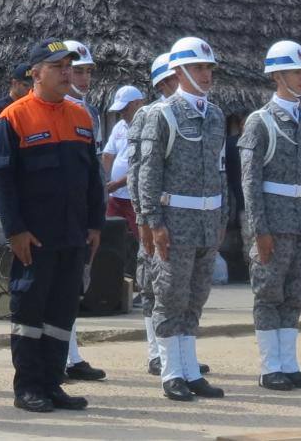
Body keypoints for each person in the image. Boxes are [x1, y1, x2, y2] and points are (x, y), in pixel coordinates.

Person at [0, 38, 103, 414]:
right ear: (36, 73)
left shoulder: (81, 117)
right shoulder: (14, 117)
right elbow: (0, 178)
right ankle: (28, 387)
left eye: (69, 65)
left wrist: (95, 225)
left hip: (73, 234)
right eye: (57, 66)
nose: (66, 72)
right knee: (29, 313)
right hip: (34, 236)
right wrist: (14, 229)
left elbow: (91, 180)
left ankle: (53, 384)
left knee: (61, 313)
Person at [130, 36, 227, 401]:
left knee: (195, 297)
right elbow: (148, 173)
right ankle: (171, 372)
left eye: (209, 68)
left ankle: (189, 369)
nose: (206, 75)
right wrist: (152, 220)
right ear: (180, 71)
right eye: (199, 68)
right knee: (170, 297)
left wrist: (222, 217)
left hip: (206, 220)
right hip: (174, 221)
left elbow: (220, 173)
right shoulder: (161, 114)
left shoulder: (215, 115)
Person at [238, 40, 301, 392]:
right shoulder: (259, 122)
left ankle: (289, 364)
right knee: (269, 294)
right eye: (295, 71)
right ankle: (270, 365)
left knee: (296, 294)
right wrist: (259, 229)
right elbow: (250, 181)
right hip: (273, 222)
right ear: (276, 75)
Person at [57, 40, 107, 383]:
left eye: (88, 71)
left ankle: (70, 354)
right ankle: (60, 356)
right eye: (78, 71)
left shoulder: (88, 110)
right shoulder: (64, 108)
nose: (85, 77)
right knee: (58, 289)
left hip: (82, 210)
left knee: (74, 287)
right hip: (60, 212)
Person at [129, 53, 177, 377]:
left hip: (185, 216)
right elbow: (137, 169)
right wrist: (143, 217)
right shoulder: (148, 114)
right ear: (163, 82)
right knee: (151, 285)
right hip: (155, 214)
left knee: (178, 290)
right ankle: (155, 353)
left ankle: (178, 354)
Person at [101, 85, 146, 223]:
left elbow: (143, 166)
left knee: (142, 240)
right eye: (120, 110)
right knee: (112, 237)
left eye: (125, 108)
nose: (122, 113)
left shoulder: (149, 126)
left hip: (138, 198)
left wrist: (116, 184)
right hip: (116, 197)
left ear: (138, 103)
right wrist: (104, 180)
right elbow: (107, 155)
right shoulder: (120, 126)